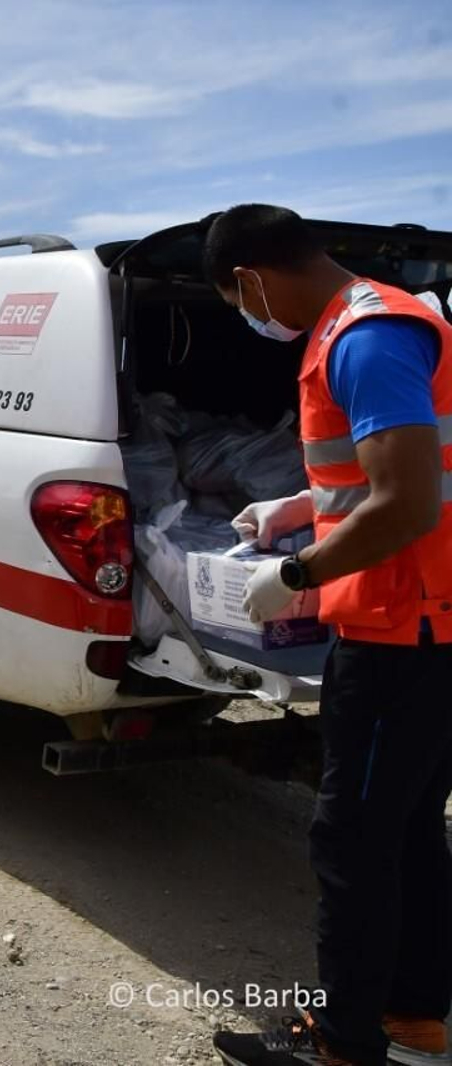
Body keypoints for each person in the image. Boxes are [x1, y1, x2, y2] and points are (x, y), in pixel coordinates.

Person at [201, 205, 452, 1066]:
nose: (248, 316)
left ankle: (341, 1045)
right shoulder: (380, 321)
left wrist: (298, 574)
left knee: (350, 839)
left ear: (253, 280)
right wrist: (299, 510)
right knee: (411, 829)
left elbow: (409, 501)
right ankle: (414, 1024)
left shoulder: (368, 337)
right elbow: (401, 468)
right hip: (424, 620)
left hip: (400, 629)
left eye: (237, 301)